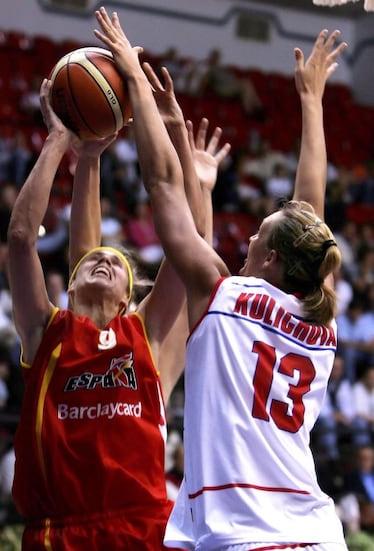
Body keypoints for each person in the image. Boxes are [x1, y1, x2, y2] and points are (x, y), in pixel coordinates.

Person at [99, 13, 347, 549]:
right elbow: (310, 211)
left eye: (257, 234)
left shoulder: (222, 293)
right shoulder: (318, 313)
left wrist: (135, 82)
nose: (248, 240)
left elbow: (162, 184)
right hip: (313, 529)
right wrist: (312, 102)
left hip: (242, 528)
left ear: (273, 258)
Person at [7, 16, 230, 550]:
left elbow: (192, 247)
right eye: (90, 262)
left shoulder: (147, 338)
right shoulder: (47, 332)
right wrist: (65, 145)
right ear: (70, 283)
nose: (101, 262)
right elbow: (20, 238)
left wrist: (188, 161)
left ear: (131, 297)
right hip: (57, 532)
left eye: (114, 263)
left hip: (141, 528)